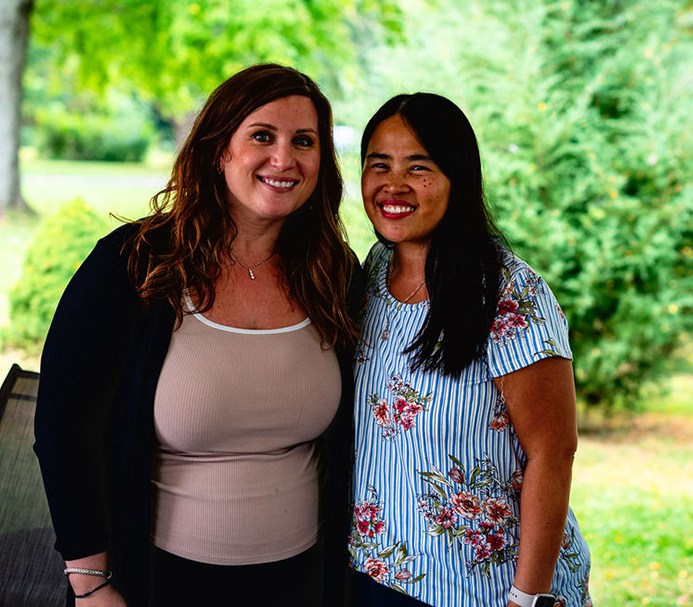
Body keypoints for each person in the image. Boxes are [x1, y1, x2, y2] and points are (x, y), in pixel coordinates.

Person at [34, 63, 361, 606]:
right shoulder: (134, 263)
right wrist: (90, 584)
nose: (284, 159)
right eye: (262, 136)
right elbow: (64, 425)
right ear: (218, 150)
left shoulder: (333, 272)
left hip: (302, 583)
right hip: (157, 582)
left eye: (304, 141)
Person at [347, 93, 592, 607]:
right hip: (376, 575)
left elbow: (553, 453)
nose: (394, 185)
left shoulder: (509, 293)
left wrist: (527, 598)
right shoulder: (372, 271)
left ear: (458, 178)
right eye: (379, 164)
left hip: (484, 590)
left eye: (419, 167)